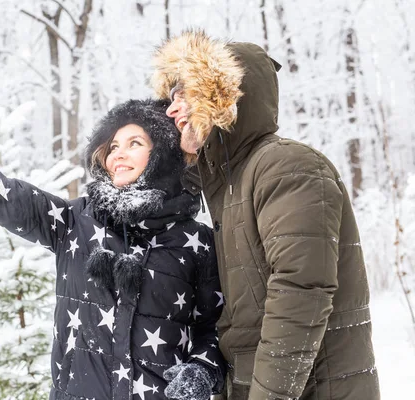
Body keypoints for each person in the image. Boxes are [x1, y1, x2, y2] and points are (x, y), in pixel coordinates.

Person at [0, 61, 227, 400]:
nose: (119, 155)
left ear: (162, 154)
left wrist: (203, 370)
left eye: (134, 144)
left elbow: (216, 328)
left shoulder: (195, 241)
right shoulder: (75, 221)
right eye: (112, 146)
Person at [151, 29, 380, 400]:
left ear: (221, 97)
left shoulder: (286, 165)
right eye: (171, 98)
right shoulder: (228, 183)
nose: (171, 109)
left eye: (184, 96)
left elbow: (300, 292)